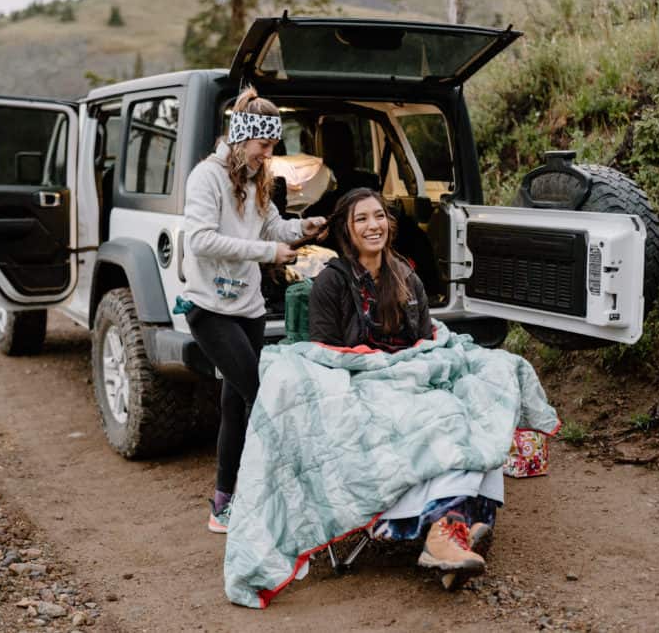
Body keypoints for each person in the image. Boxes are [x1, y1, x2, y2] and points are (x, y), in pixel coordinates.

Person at [307, 187, 501, 585]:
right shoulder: (331, 283)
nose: (372, 225)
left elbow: (426, 342)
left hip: (410, 379)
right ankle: (451, 526)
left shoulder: (406, 276)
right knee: (444, 418)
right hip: (361, 384)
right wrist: (372, 362)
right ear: (346, 228)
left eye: (378, 216)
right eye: (361, 219)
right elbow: (323, 353)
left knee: (480, 408)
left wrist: (422, 365)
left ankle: (448, 530)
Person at [181, 86, 326, 534]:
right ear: (242, 137)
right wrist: (268, 252)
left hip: (249, 309)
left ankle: (222, 504)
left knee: (235, 406)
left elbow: (273, 227)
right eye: (264, 145)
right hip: (209, 308)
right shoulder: (206, 178)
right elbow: (200, 240)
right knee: (260, 396)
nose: (269, 154)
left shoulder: (257, 180)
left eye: (272, 146)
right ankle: (281, 495)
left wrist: (303, 227)